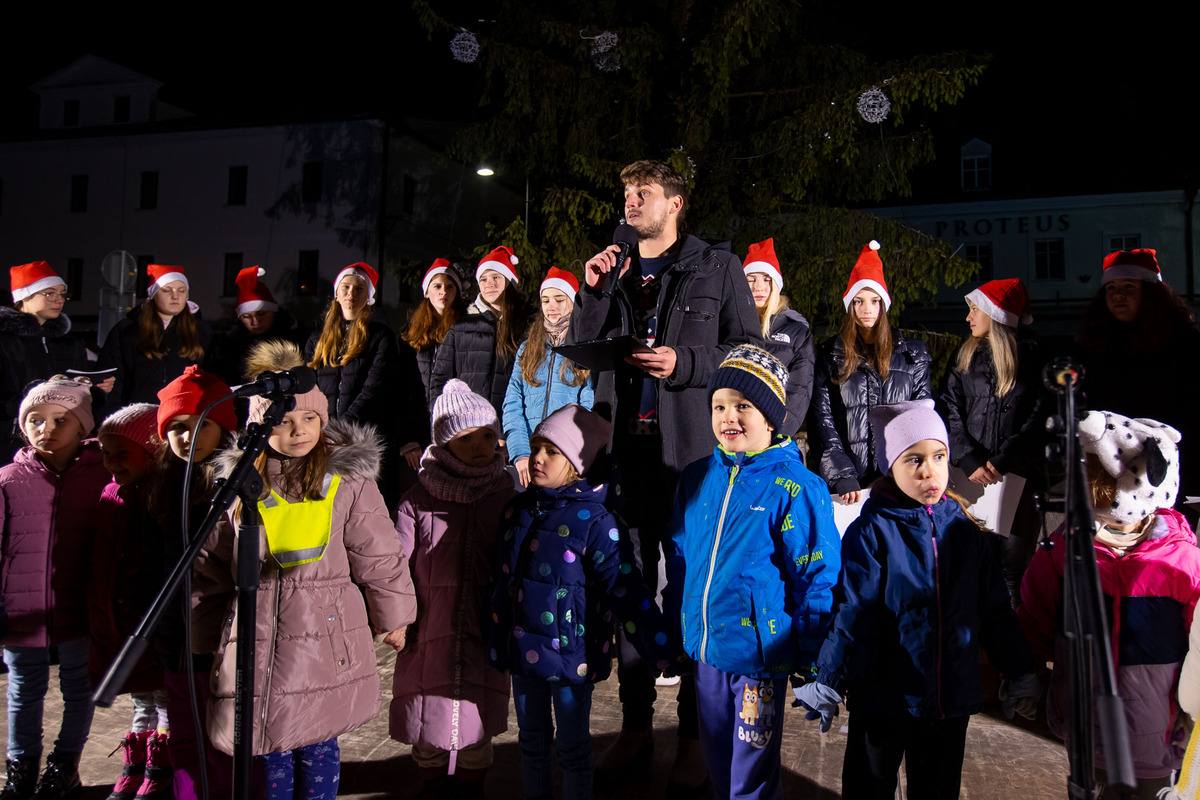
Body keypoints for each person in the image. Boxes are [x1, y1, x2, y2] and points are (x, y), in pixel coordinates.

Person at [568, 159, 760, 788]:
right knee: (627, 588)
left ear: (675, 204)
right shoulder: (615, 267)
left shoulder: (716, 267)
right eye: (626, 192)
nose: (630, 202)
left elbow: (747, 350)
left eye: (643, 193)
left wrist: (686, 363)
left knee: (688, 591)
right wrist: (595, 289)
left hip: (691, 458)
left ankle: (693, 737)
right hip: (625, 454)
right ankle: (635, 727)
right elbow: (582, 348)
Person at [197, 340, 416, 800]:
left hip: (323, 641)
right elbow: (211, 567)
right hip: (257, 639)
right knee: (268, 747)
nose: (299, 431)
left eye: (310, 419)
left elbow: (379, 553)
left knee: (317, 742)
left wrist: (394, 616)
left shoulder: (346, 481)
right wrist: (200, 633)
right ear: (259, 427)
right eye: (284, 421)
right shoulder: (240, 486)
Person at [796, 400, 1038, 800]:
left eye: (939, 456)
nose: (930, 470)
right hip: (883, 700)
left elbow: (995, 611)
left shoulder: (966, 533)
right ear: (891, 466)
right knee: (868, 788)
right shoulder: (871, 532)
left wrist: (1018, 670)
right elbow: (854, 615)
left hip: (948, 702)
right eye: (914, 459)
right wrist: (830, 680)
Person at [662, 345, 839, 800]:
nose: (729, 417)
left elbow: (817, 576)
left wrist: (813, 658)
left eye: (743, 406)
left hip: (760, 661)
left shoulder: (796, 488)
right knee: (718, 765)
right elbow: (680, 558)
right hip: (707, 654)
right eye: (719, 406)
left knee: (751, 777)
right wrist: (675, 630)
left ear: (771, 418)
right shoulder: (697, 478)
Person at [490, 403, 676, 800]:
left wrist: (661, 648)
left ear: (577, 464)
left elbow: (627, 591)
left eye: (552, 452)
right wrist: (497, 642)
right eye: (535, 448)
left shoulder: (596, 523)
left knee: (573, 751)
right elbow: (502, 585)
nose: (537, 458)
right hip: (523, 655)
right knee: (531, 744)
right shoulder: (517, 511)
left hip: (571, 658)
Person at [1020, 411, 1200, 798]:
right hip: (1086, 728)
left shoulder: (1180, 560)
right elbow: (1034, 617)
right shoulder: (1065, 549)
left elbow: (1197, 645)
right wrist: (1023, 675)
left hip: (1157, 735)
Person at [391, 379, 517, 800]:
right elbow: (395, 567)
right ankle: (431, 785)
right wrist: (395, 618)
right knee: (428, 715)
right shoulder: (417, 500)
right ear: (444, 444)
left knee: (476, 720)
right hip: (429, 625)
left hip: (486, 625)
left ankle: (469, 788)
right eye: (466, 438)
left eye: (487, 435)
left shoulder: (506, 496)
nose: (480, 445)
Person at [0, 377, 110, 800]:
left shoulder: (104, 476)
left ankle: (65, 766)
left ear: (84, 427)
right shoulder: (9, 479)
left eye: (61, 420)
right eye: (36, 419)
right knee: (24, 687)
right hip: (22, 610)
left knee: (79, 687)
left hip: (80, 605)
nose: (46, 428)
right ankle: (21, 767)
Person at [146, 367, 238, 800]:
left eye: (202, 424)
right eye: (177, 427)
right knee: (183, 734)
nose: (188, 436)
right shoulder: (161, 485)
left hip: (217, 640)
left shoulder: (235, 487)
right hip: (174, 638)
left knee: (222, 737)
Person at [939, 278, 1046, 602]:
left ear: (995, 315)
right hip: (971, 480)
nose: (968, 317)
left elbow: (1039, 417)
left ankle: (1013, 633)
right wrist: (968, 458)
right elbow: (948, 408)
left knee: (1014, 573)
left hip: (1018, 481)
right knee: (972, 567)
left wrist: (1004, 461)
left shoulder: (1033, 357)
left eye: (975, 310)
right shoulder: (964, 356)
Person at [89, 404, 172, 800]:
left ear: (152, 451)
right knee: (141, 696)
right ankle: (136, 763)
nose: (111, 462)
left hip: (157, 618)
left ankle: (162, 766)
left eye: (123, 452)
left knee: (165, 696)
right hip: (125, 617)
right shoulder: (111, 495)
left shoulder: (164, 496)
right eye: (106, 452)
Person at [1076, 248, 1200, 512]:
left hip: (1171, 466)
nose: (1118, 295)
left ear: (1151, 293)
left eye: (1129, 286)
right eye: (1111, 288)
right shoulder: (1093, 346)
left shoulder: (1185, 345)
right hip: (1112, 465)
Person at [809, 240, 932, 502]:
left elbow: (921, 420)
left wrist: (905, 471)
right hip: (848, 484)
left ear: (883, 305)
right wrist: (841, 474)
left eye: (874, 301)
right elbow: (822, 420)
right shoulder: (830, 355)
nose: (867, 309)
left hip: (899, 481)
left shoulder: (911, 356)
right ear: (850, 305)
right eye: (859, 301)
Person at [304, 262, 422, 511]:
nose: (351, 293)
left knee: (366, 509)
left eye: (359, 289)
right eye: (346, 287)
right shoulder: (317, 338)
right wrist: (319, 426)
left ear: (368, 298)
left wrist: (342, 426)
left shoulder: (380, 336)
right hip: (323, 439)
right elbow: (309, 387)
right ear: (336, 294)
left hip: (364, 438)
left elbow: (375, 387)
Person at [1, 261, 113, 464]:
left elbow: (77, 387)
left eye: (62, 294)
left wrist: (95, 389)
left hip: (62, 441)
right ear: (24, 296)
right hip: (11, 440)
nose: (59, 299)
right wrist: (31, 401)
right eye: (49, 293)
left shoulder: (69, 343)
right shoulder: (5, 341)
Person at [503, 267, 594, 486]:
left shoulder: (583, 348)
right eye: (545, 300)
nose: (551, 306)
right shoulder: (527, 348)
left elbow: (588, 408)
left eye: (559, 299)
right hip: (528, 459)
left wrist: (567, 455)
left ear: (572, 302)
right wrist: (521, 453)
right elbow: (513, 404)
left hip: (565, 461)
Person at [431, 246, 529, 415]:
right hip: (468, 424)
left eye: (496, 277)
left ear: (509, 281)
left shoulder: (527, 326)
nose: (489, 284)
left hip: (510, 425)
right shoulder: (460, 328)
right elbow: (440, 380)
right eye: (483, 279)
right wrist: (443, 420)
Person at [204, 266, 308, 423]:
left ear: (273, 311)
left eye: (261, 314)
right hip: (243, 414)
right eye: (247, 316)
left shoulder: (294, 340)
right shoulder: (228, 347)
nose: (255, 322)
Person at [101, 264, 213, 407]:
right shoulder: (127, 330)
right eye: (167, 290)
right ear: (153, 294)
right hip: (138, 411)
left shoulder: (201, 331)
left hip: (185, 412)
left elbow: (212, 377)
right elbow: (112, 378)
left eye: (181, 290)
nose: (175, 296)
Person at [742, 239, 815, 438]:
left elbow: (799, 391)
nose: (758, 287)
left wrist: (773, 432)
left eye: (766, 279)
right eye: (751, 279)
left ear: (776, 284)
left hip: (773, 436)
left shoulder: (797, 332)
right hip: (731, 435)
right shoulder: (729, 325)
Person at [402, 259, 469, 414]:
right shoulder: (411, 331)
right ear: (427, 292)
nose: (443, 292)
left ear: (457, 292)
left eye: (450, 287)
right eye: (437, 286)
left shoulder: (465, 328)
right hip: (418, 412)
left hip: (453, 411)